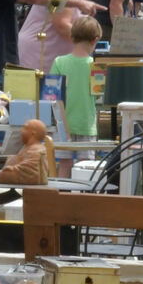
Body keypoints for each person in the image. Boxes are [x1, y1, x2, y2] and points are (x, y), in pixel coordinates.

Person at [50, 15, 103, 177]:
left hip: (62, 124)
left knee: (64, 165)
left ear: (72, 37)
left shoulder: (59, 62)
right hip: (86, 123)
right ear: (95, 40)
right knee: (84, 168)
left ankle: (61, 192)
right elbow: (99, 94)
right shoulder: (96, 66)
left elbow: (51, 94)